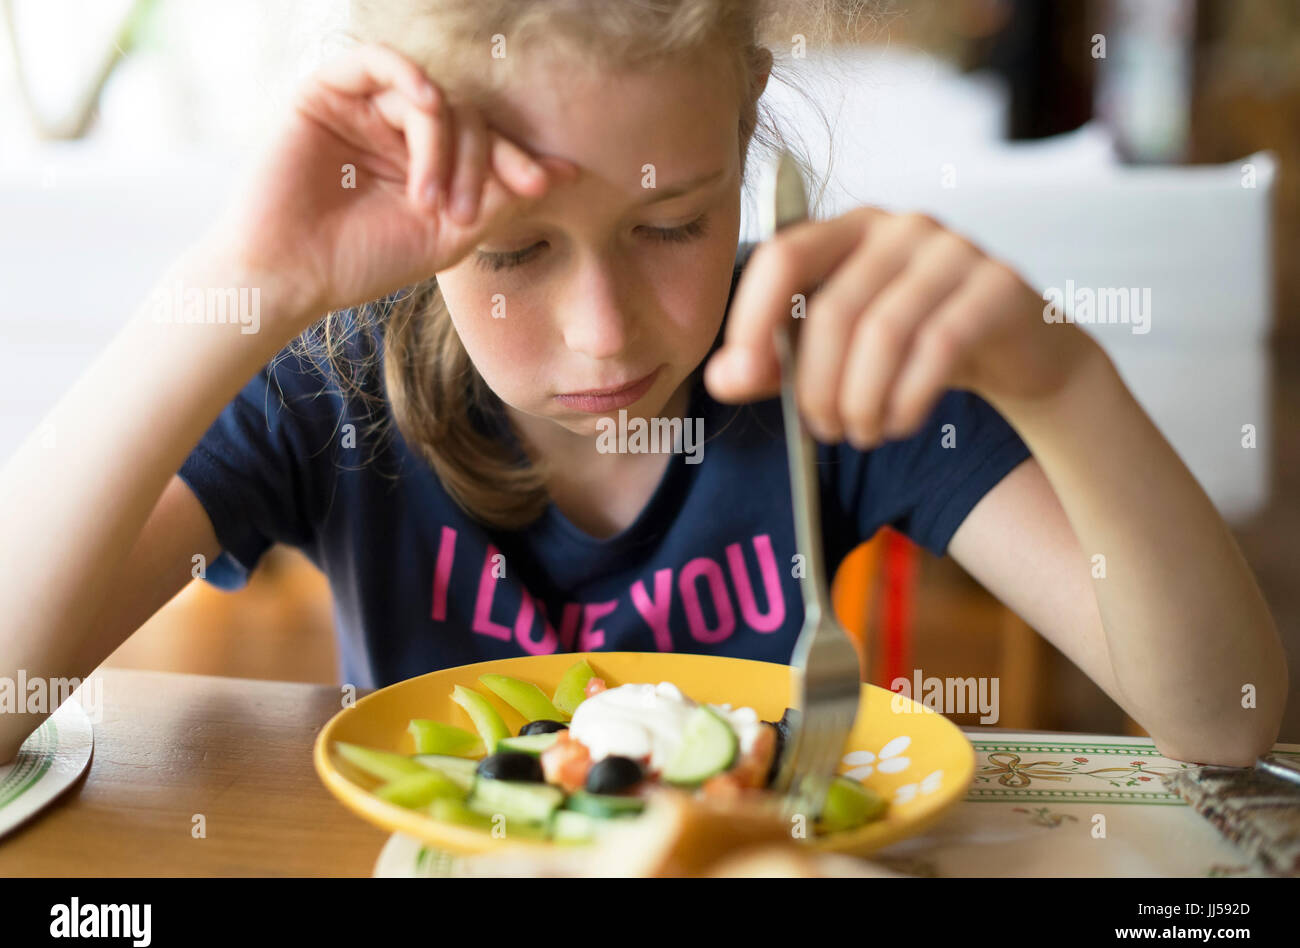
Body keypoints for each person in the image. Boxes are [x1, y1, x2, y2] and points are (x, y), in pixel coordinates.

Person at [0, 0, 1285, 768]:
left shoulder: (816, 349)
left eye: (673, 224)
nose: (603, 334)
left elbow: (1223, 717)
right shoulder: (329, 385)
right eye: (511, 252)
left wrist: (1063, 377)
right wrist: (244, 280)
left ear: (745, 127)